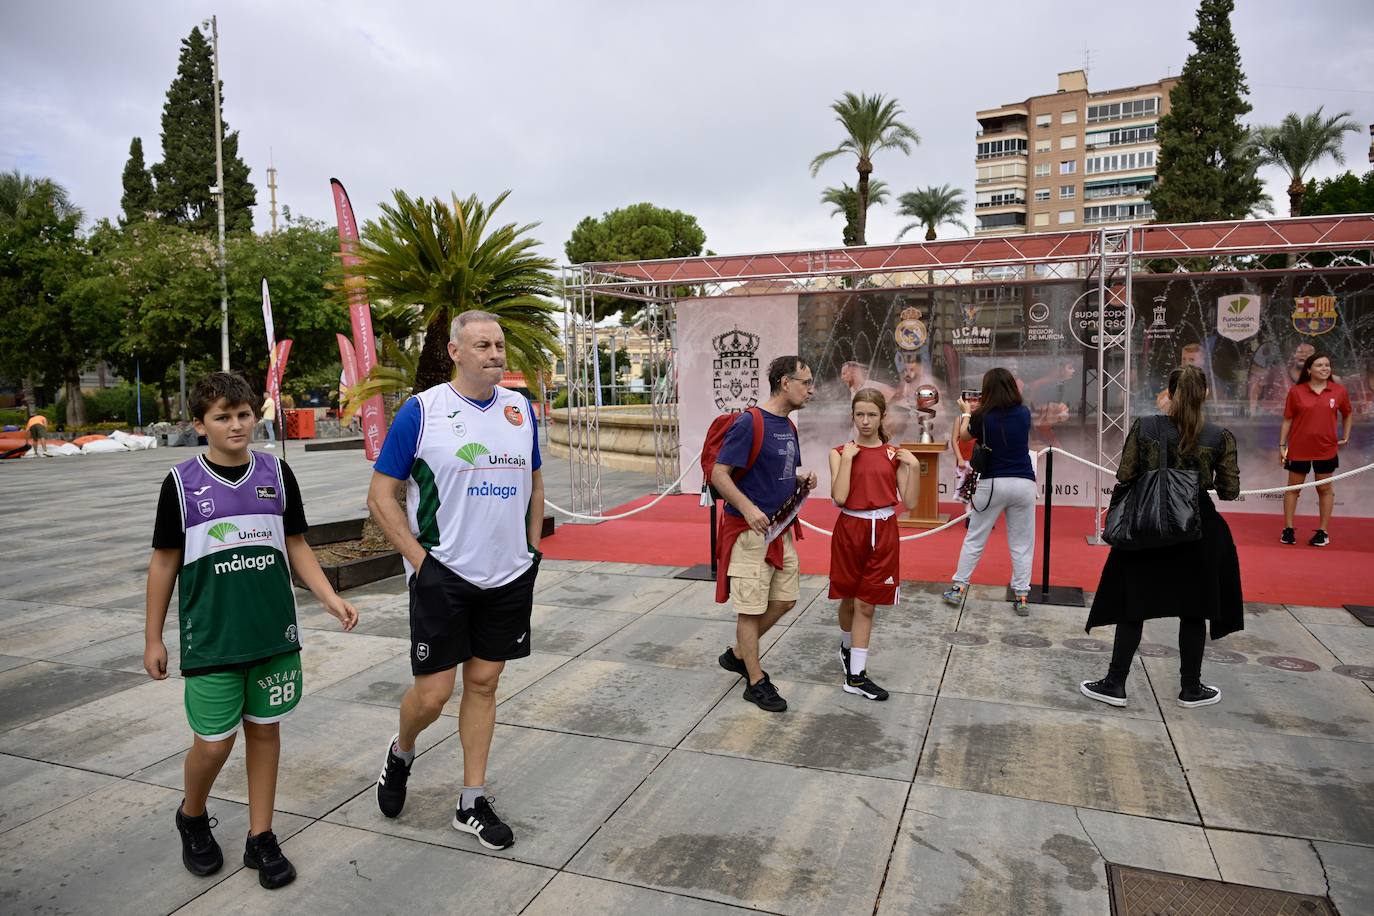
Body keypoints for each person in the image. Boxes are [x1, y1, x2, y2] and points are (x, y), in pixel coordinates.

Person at [144, 371, 359, 889]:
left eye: (243, 415)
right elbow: (163, 563)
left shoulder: (277, 473)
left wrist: (329, 597)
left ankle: (261, 837)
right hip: (213, 638)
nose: (236, 425)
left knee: (265, 732)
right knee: (214, 746)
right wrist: (153, 637)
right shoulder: (181, 484)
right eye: (222, 417)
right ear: (200, 425)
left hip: (272, 634)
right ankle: (192, 815)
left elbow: (298, 545)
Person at [368, 310, 544, 850]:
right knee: (435, 692)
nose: (496, 354)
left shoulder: (520, 410)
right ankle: (401, 752)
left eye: (500, 344)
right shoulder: (422, 412)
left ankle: (471, 800)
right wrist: (422, 563)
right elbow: (381, 497)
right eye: (483, 345)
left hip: (509, 574)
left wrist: (532, 549)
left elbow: (536, 486)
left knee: (485, 683)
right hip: (443, 574)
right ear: (455, 352)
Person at [1079, 366, 1242, 709]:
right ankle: (1191, 689)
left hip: (1147, 528)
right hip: (1198, 531)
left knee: (1132, 607)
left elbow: (1125, 474)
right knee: (1194, 611)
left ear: (1168, 392)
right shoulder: (1219, 436)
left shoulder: (1147, 427)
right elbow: (1229, 491)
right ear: (1205, 395)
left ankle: (1115, 683)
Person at [713, 355, 818, 713]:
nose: (811, 389)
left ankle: (741, 654)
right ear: (785, 383)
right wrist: (748, 508)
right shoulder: (750, 422)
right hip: (750, 532)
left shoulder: (788, 426)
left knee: (786, 599)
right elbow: (719, 474)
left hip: (781, 528)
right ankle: (755, 681)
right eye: (805, 382)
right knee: (750, 608)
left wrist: (799, 479)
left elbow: (779, 469)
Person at [827, 390, 920, 701]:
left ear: (882, 417)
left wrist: (915, 466)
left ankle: (856, 676)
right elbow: (839, 497)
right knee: (849, 600)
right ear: (852, 416)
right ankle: (846, 646)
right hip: (850, 529)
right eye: (859, 415)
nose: (865, 421)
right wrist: (849, 460)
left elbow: (910, 501)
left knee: (867, 603)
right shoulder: (839, 452)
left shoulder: (895, 455)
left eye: (871, 415)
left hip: (883, 531)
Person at [942, 368, 1037, 616]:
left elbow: (963, 436)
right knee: (1022, 543)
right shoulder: (1024, 413)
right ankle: (1022, 595)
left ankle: (959, 587)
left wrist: (966, 412)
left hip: (993, 483)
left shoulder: (983, 415)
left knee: (975, 538)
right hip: (1024, 483)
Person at [1278, 352, 1352, 547]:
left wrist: (1346, 435)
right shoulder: (1296, 391)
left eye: (1327, 365)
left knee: (1325, 489)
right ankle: (1288, 529)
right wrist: (1282, 445)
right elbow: (1287, 419)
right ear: (1309, 370)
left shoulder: (1338, 391)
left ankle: (1323, 532)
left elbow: (1347, 413)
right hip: (1299, 448)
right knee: (1293, 489)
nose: (1325, 368)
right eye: (1319, 365)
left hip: (1326, 449)